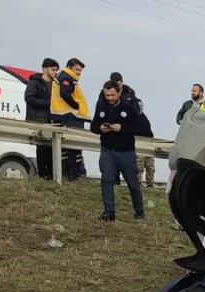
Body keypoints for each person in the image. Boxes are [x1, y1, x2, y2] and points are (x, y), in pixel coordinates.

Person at [91, 80, 154, 221]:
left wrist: (122, 128)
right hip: (107, 150)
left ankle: (139, 212)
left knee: (132, 183)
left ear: (119, 92)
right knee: (106, 179)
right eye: (107, 95)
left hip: (126, 152)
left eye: (112, 95)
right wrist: (100, 129)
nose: (110, 98)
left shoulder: (129, 109)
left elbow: (144, 130)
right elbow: (93, 126)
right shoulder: (101, 107)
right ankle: (109, 213)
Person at [50, 58, 89, 180]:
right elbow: (65, 93)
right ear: (69, 67)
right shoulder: (67, 77)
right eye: (77, 69)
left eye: (80, 71)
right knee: (74, 146)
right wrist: (75, 105)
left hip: (63, 115)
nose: (79, 73)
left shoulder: (65, 76)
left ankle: (66, 174)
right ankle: (73, 174)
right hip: (69, 115)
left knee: (65, 148)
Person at [24, 58, 59, 180]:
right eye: (53, 69)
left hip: (51, 121)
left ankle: (51, 176)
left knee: (51, 149)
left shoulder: (56, 84)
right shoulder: (34, 82)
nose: (55, 72)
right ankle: (43, 175)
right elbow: (29, 98)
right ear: (45, 69)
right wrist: (49, 104)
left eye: (56, 70)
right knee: (42, 148)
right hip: (38, 120)